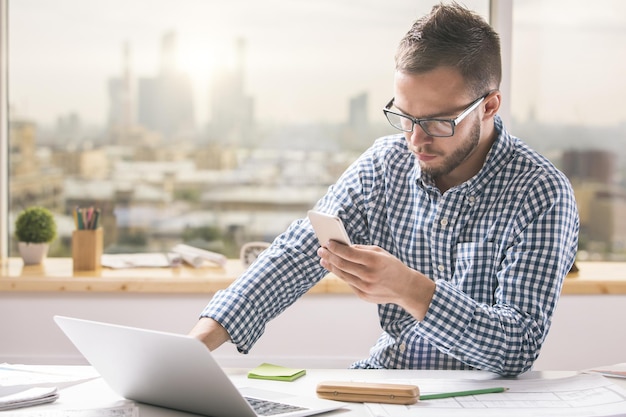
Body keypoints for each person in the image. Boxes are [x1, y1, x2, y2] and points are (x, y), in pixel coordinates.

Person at [189, 3, 579, 376]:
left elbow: (518, 345)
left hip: (488, 400)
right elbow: (296, 255)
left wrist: (411, 288)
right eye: (405, 117)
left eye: (438, 122)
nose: (415, 139)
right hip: (386, 384)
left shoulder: (541, 193)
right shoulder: (384, 164)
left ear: (490, 106)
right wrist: (193, 347)